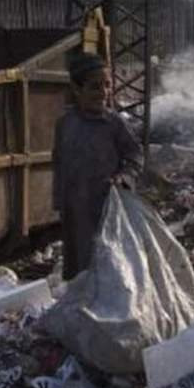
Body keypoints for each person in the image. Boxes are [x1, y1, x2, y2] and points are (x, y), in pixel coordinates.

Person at [52, 52, 144, 280]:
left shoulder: (114, 124)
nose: (103, 92)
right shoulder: (65, 124)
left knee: (112, 266)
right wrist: (59, 203)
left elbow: (135, 155)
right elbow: (59, 163)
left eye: (107, 85)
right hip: (76, 210)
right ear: (77, 89)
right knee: (81, 269)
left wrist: (123, 177)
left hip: (108, 209)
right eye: (95, 87)